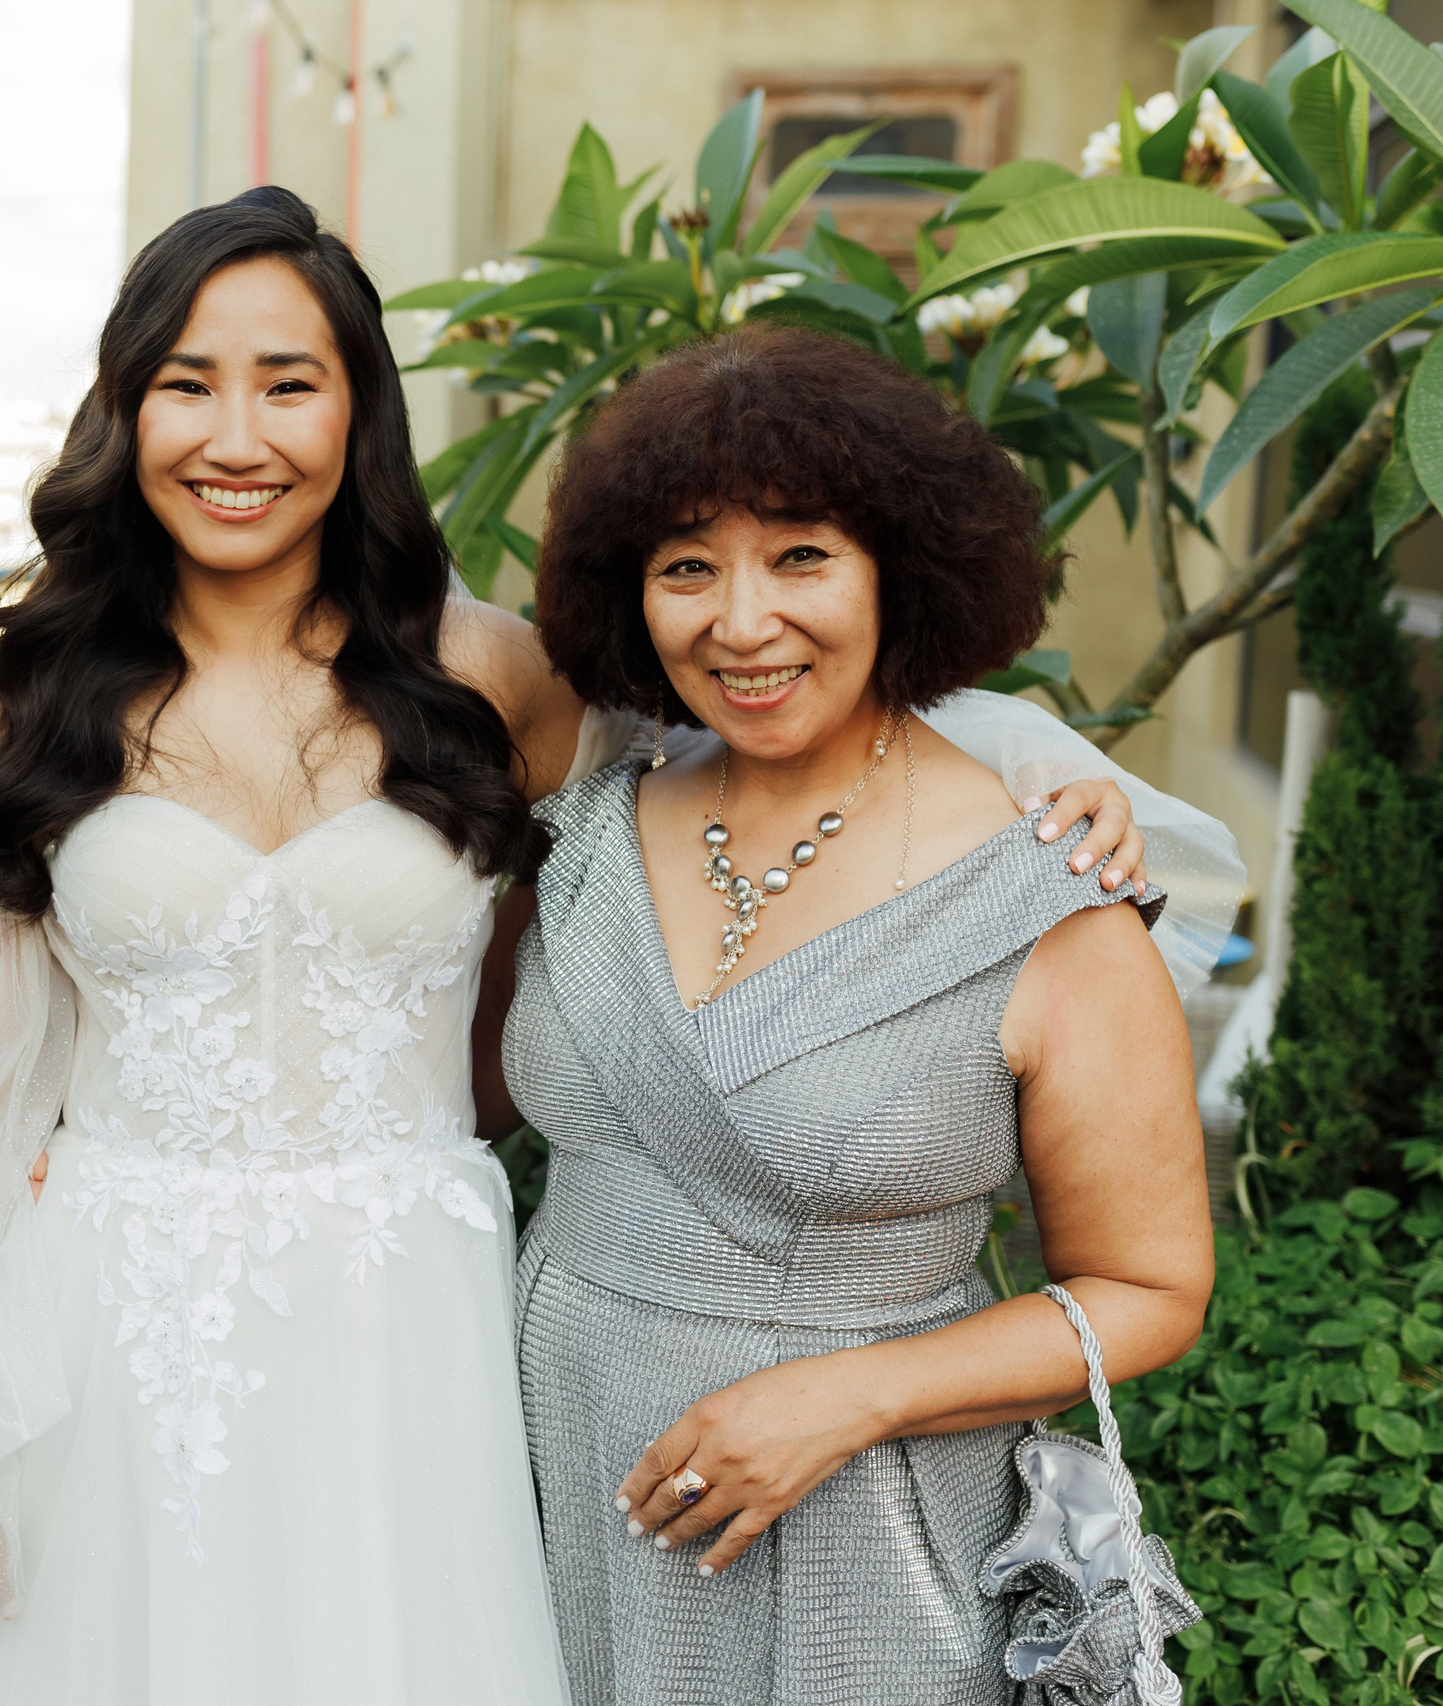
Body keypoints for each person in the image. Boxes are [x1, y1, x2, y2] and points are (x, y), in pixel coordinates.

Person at [0, 189, 1163, 1706]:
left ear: (360, 411)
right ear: (125, 412)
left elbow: (782, 725)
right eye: (187, 384)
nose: (239, 436)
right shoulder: (35, 704)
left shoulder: (497, 673)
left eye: (290, 383)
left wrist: (1033, 769)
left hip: (404, 1327)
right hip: (106, 1328)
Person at [504, 323, 1223, 1705]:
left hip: (853, 1536)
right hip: (548, 1478)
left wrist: (849, 1393)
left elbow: (1151, 1288)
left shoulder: (1052, 900)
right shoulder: (590, 818)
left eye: (802, 555)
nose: (742, 619)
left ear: (901, 566)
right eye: (686, 566)